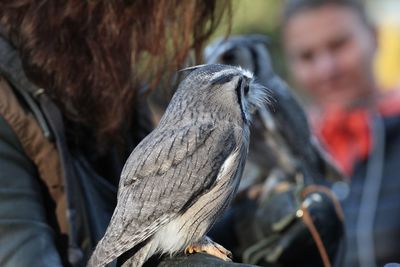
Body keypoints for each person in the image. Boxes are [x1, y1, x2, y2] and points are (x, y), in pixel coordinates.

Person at [0, 1, 257, 267]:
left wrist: (255, 225)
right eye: (154, 24)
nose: (154, 48)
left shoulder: (114, 98)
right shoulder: (8, 106)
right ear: (100, 10)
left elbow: (176, 214)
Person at [282, 0, 400, 266]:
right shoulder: (284, 154)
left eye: (339, 45)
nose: (327, 69)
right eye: (307, 56)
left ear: (375, 37)